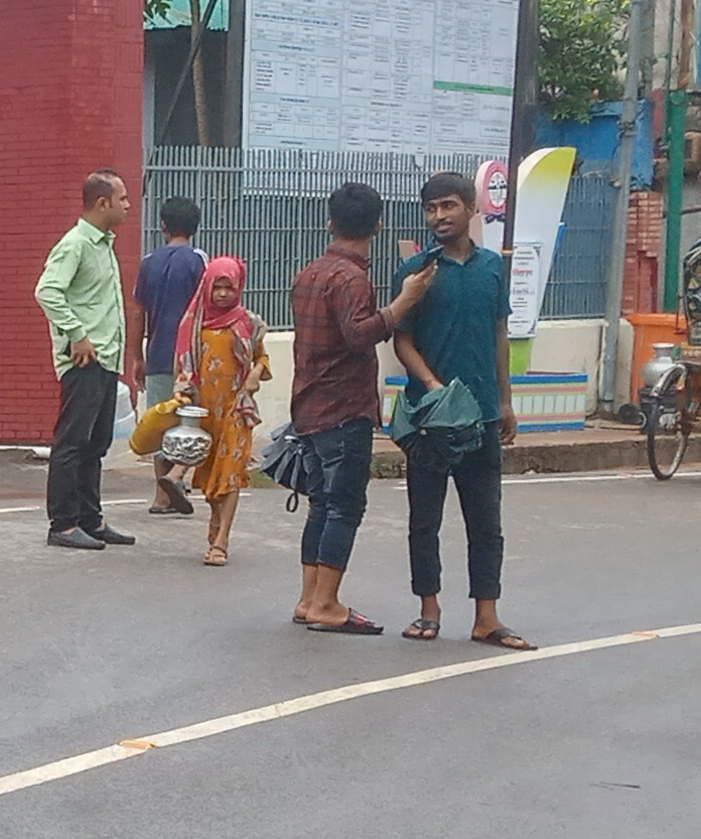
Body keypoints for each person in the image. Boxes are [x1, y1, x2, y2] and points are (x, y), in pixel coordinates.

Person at [393, 171, 530, 652]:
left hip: (483, 417)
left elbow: (499, 335)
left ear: (472, 208)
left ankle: (486, 618)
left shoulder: (492, 267)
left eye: (448, 205)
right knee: (424, 520)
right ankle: (428, 610)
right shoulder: (417, 270)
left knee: (486, 522)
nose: (439, 216)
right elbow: (402, 340)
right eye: (431, 208)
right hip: (430, 420)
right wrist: (433, 386)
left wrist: (505, 400)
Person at [289, 182, 431, 636]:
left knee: (322, 504)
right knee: (345, 506)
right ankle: (326, 603)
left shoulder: (309, 273)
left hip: (309, 405)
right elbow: (358, 335)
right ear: (378, 226)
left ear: (331, 222)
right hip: (343, 407)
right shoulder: (351, 279)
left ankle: (310, 599)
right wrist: (403, 303)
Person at [38, 169, 139, 549]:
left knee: (96, 443)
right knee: (73, 442)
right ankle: (63, 524)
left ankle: (90, 519)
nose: (128, 205)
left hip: (106, 359)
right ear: (102, 203)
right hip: (84, 360)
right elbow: (48, 291)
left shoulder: (104, 244)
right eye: (122, 198)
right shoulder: (76, 243)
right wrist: (77, 335)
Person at [172, 255, 268, 566]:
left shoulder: (248, 323)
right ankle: (215, 525)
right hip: (203, 414)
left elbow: (261, 358)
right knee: (211, 480)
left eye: (230, 287)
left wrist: (255, 374)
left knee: (231, 475)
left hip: (236, 410)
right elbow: (183, 367)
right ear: (208, 287)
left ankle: (221, 541)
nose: (224, 294)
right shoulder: (194, 325)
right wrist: (182, 394)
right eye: (218, 287)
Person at [133, 194, 211, 517]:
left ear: (163, 226)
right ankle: (177, 476)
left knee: (161, 423)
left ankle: (160, 496)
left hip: (157, 355)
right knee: (193, 422)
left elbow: (138, 312)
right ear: (195, 227)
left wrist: (137, 356)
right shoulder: (198, 260)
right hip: (191, 359)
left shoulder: (148, 262)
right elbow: (208, 308)